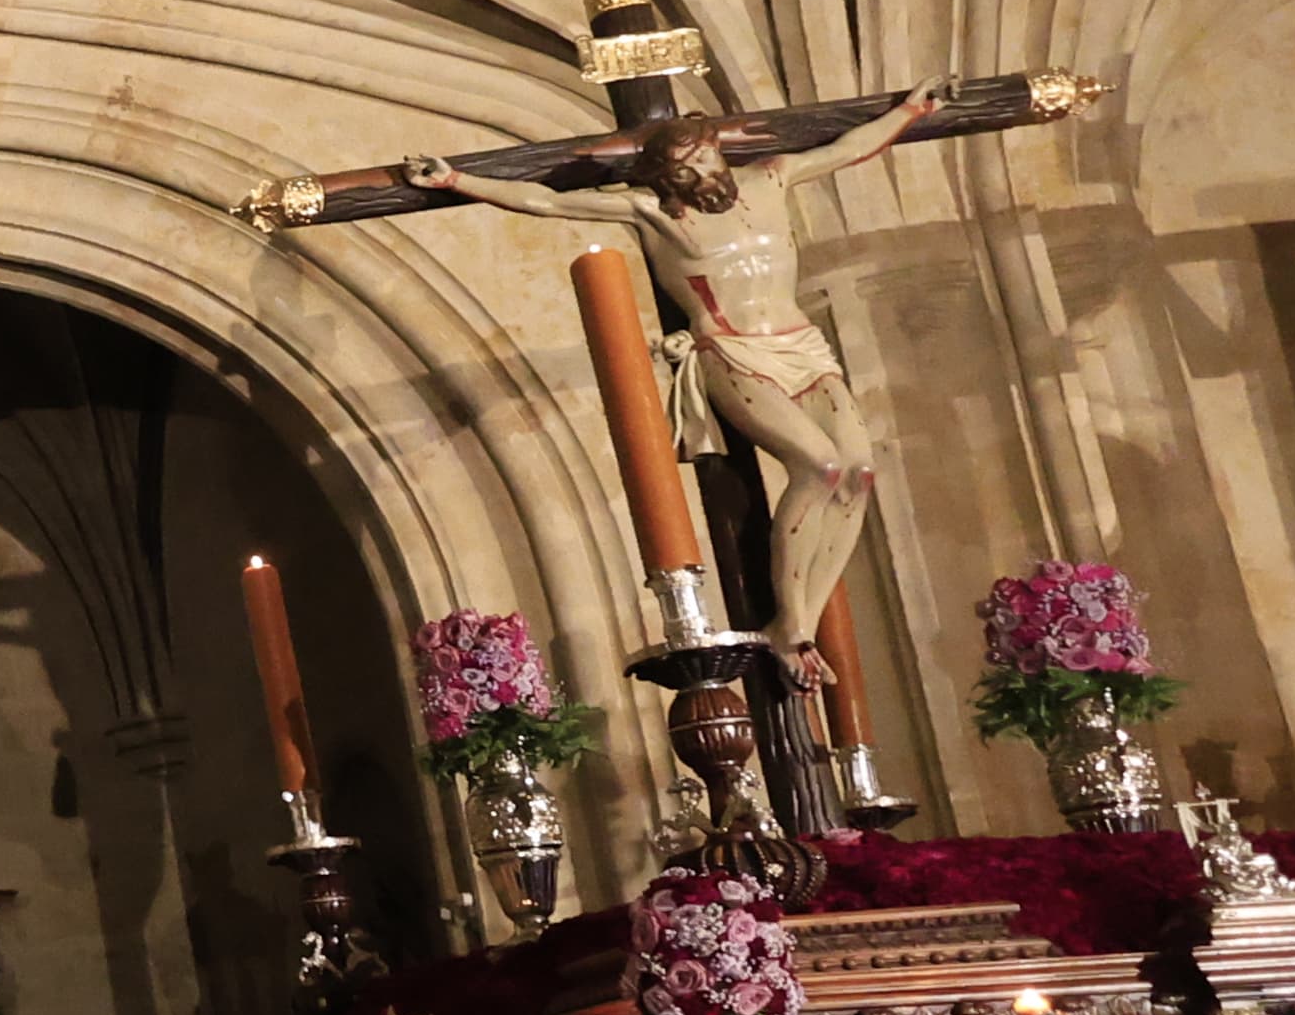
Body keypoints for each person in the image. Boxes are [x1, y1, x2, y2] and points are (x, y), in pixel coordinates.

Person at [396, 90, 930, 668]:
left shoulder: (771, 178)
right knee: (820, 468)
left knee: (860, 475)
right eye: (687, 167)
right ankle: (792, 619)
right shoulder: (651, 213)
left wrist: (911, 112)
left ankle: (799, 622)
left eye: (707, 156)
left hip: (802, 343)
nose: (704, 171)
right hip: (734, 350)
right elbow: (544, 202)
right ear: (666, 177)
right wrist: (458, 181)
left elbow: (848, 148)